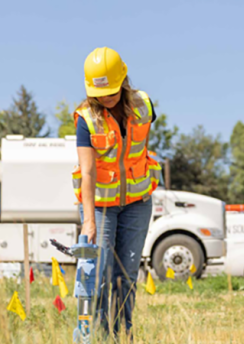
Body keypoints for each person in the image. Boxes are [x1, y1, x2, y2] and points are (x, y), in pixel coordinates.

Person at [71, 47, 161, 338]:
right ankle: (98, 336)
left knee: (126, 276)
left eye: (111, 91)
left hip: (138, 203)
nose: (106, 99)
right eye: (100, 93)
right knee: (98, 277)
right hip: (101, 207)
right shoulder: (86, 118)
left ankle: (124, 335)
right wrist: (89, 221)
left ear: (123, 80)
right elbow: (87, 171)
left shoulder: (144, 105)